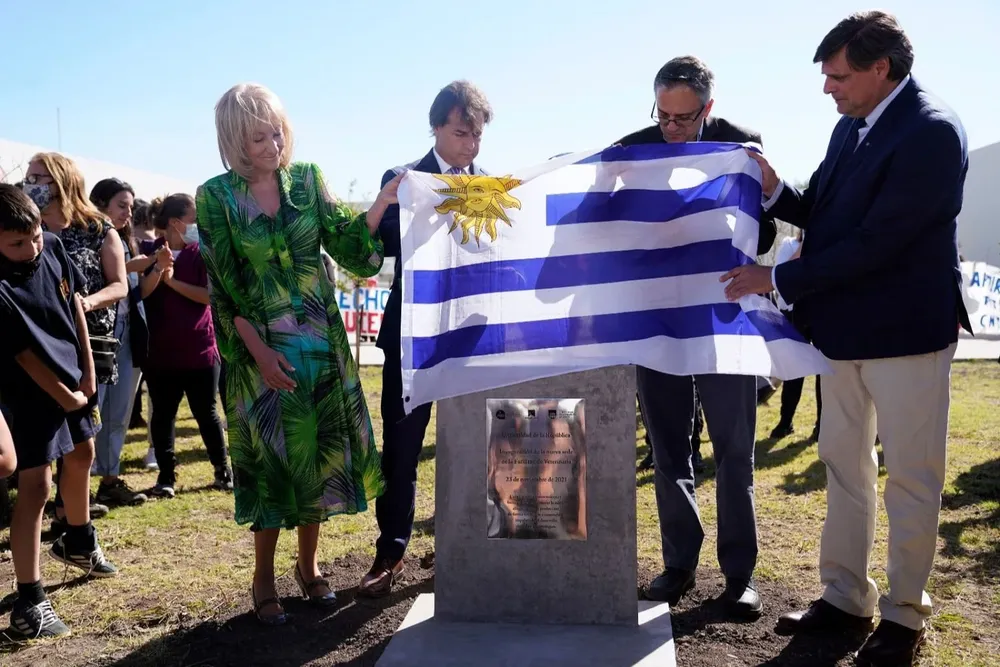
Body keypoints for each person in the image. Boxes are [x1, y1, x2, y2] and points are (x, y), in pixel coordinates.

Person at [722, 12, 969, 666]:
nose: (828, 89)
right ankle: (845, 597)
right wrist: (775, 188)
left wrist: (774, 276)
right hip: (843, 334)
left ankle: (902, 618)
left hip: (907, 336)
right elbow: (826, 213)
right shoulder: (850, 128)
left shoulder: (931, 133)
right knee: (844, 469)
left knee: (910, 480)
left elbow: (878, 242)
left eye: (838, 75)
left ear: (880, 69)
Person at [197, 82, 401, 625]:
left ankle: (308, 569)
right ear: (236, 141)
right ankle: (263, 579)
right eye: (259, 137)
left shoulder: (308, 180)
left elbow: (354, 250)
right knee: (272, 466)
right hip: (257, 356)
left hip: (321, 349)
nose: (273, 144)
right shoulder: (215, 197)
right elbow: (225, 286)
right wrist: (261, 353)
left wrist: (381, 203)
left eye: (278, 131)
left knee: (320, 459)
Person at [616, 55, 776, 619]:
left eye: (684, 118)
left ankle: (739, 576)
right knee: (667, 449)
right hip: (657, 323)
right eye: (663, 115)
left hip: (720, 321)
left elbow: (766, 231)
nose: (672, 128)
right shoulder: (630, 149)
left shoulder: (741, 146)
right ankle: (679, 562)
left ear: (709, 109)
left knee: (736, 452)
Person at [360, 80, 494, 598]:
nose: (470, 144)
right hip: (413, 336)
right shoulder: (402, 180)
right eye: (462, 131)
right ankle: (390, 552)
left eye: (478, 134)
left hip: (472, 333)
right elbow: (383, 247)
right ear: (436, 127)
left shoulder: (493, 186)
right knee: (402, 449)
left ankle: (460, 546)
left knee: (474, 446)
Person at [0, 184, 118, 639]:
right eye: (16, 243)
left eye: (34, 235)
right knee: (36, 485)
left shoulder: (49, 244)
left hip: (72, 375)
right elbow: (22, 354)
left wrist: (86, 368)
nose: (31, 248)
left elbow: (73, 305)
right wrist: (63, 395)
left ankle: (78, 539)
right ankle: (29, 599)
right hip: (25, 391)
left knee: (84, 453)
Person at [141, 193, 233, 497]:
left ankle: (222, 470)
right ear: (175, 223)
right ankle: (166, 477)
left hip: (200, 350)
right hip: (160, 353)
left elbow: (210, 296)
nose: (200, 226)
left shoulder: (202, 253)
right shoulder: (148, 252)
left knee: (206, 413)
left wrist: (173, 282)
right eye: (195, 220)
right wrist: (158, 269)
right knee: (163, 415)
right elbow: (140, 292)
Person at [88, 178, 152, 505]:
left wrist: (151, 272)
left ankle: (109, 479)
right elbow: (94, 279)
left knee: (120, 410)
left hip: (128, 329)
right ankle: (79, 489)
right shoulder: (83, 236)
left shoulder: (127, 238)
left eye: (131, 205)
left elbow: (136, 293)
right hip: (98, 331)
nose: (129, 212)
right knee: (92, 410)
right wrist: (129, 266)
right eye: (121, 205)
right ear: (101, 205)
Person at [768, 230, 821, 442]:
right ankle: (785, 421)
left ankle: (821, 425)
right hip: (795, 314)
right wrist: (805, 245)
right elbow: (782, 276)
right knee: (794, 373)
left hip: (819, 312)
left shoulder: (826, 245)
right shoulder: (789, 244)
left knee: (823, 374)